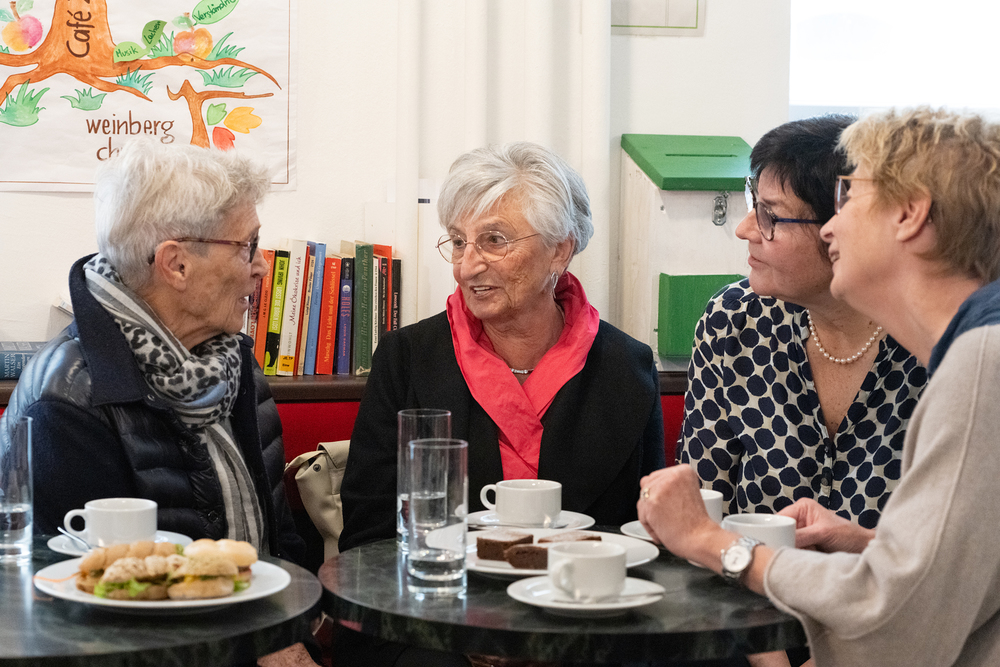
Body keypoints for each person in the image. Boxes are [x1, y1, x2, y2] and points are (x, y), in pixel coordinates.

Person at [639, 107, 1000, 666]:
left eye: (850, 198)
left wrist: (713, 544)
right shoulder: (975, 345)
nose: (832, 226)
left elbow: (902, 623)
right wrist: (866, 545)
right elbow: (962, 574)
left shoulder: (982, 358)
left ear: (910, 214)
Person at [340, 141, 665, 552]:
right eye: (458, 242)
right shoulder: (406, 359)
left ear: (559, 250)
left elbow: (646, 536)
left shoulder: (626, 366)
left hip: (582, 604)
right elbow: (368, 537)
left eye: (494, 240)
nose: (466, 266)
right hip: (446, 602)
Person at [0, 139, 303, 564]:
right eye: (247, 246)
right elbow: (74, 595)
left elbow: (279, 539)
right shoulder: (65, 405)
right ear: (175, 264)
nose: (261, 266)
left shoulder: (234, 362)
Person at [678, 116, 927, 529]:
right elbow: (701, 504)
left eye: (770, 216)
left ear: (843, 228)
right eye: (752, 204)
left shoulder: (937, 342)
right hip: (747, 585)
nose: (744, 230)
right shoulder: (735, 320)